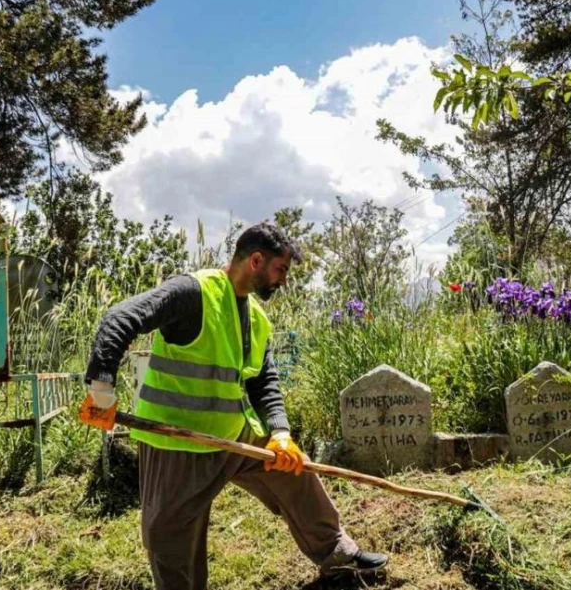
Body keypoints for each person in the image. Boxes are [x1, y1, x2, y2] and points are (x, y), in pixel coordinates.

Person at [78, 223, 388, 589]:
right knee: (170, 539)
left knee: (295, 472)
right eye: (281, 270)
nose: (284, 281)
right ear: (256, 260)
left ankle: (339, 557)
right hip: (178, 446)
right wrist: (101, 392)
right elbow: (119, 318)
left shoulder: (257, 320)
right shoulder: (192, 292)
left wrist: (281, 434)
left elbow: (264, 382)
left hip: (232, 437)